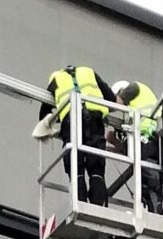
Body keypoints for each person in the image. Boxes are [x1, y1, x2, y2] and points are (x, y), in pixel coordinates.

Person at [35, 62, 116, 207]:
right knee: (96, 167)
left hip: (70, 121)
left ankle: (80, 205)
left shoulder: (56, 78)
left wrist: (52, 126)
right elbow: (111, 99)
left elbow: (44, 113)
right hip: (94, 119)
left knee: (75, 166)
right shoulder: (89, 72)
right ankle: (97, 206)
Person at [111, 78, 163, 213]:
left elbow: (116, 102)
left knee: (150, 179)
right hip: (152, 141)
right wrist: (115, 142)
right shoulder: (134, 109)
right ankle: (153, 211)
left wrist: (101, 110)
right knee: (147, 181)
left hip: (148, 136)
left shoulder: (133, 88)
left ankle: (156, 213)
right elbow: (128, 150)